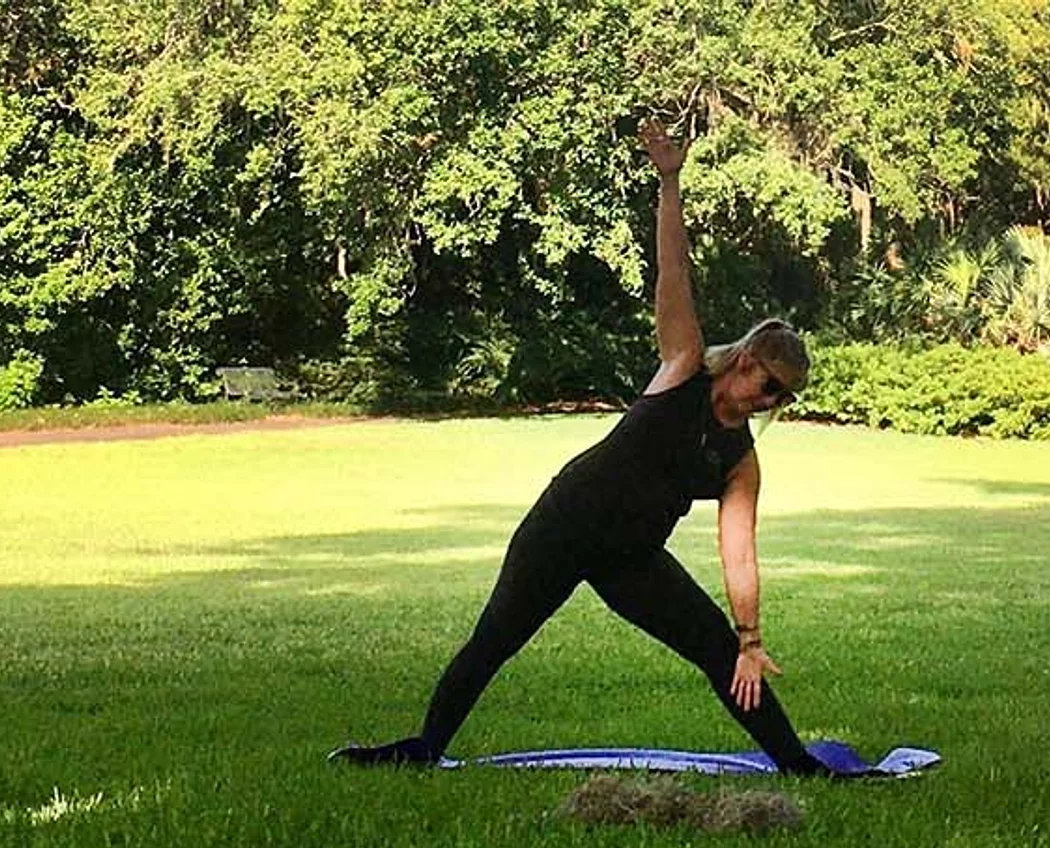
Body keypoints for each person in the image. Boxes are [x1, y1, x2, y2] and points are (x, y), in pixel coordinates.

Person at [331, 121, 830, 775]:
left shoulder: (740, 461)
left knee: (718, 649)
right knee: (495, 639)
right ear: (744, 361)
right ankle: (424, 748)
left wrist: (751, 637)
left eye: (783, 397)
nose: (771, 401)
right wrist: (670, 181)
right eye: (769, 384)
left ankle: (798, 765)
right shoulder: (682, 367)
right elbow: (674, 274)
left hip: (632, 557)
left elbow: (739, 552)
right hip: (562, 527)